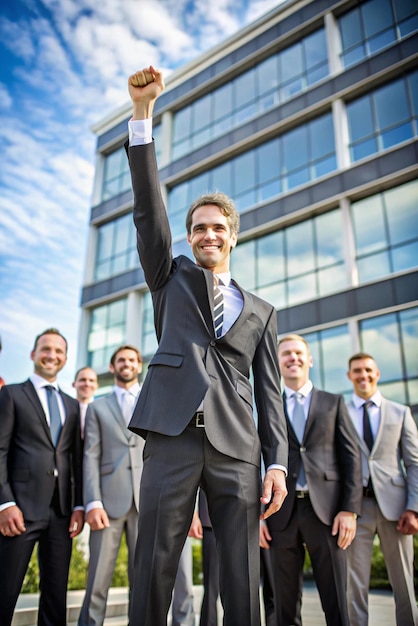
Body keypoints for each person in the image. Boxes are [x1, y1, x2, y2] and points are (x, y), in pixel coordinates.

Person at [125, 65, 288, 626]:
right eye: (199, 227)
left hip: (238, 450)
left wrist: (279, 464)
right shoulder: (169, 277)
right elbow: (149, 211)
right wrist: (143, 115)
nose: (208, 234)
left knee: (241, 578)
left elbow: (271, 396)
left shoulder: (262, 312)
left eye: (218, 227)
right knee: (153, 564)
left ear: (233, 236)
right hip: (170, 437)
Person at [78, 345, 195, 626]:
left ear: (139, 366)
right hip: (109, 503)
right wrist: (92, 501)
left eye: (132, 359)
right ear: (113, 366)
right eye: (121, 360)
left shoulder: (158, 398)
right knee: (98, 578)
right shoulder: (98, 407)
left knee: (144, 578)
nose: (127, 363)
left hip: (153, 497)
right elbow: (90, 455)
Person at [264, 334, 362, 626]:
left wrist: (349, 510)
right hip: (280, 514)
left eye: (297, 353)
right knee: (283, 605)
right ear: (278, 363)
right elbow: (257, 462)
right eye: (286, 354)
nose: (292, 358)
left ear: (309, 360)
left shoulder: (334, 403)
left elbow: (352, 459)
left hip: (328, 514)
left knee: (336, 601)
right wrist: (258, 516)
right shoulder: (269, 410)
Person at [0, 328, 84, 626]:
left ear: (64, 359)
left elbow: (75, 460)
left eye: (58, 352)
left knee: (55, 598)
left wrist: (78, 505)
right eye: (46, 349)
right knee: (5, 591)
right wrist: (5, 503)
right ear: (33, 354)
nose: (52, 356)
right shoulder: (10, 394)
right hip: (19, 510)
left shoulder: (71, 405)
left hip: (60, 513)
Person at [345, 352, 418, 626]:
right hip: (355, 509)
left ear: (377, 374)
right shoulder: (339, 412)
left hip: (396, 509)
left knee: (404, 584)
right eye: (357, 371)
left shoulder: (400, 412)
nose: (363, 375)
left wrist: (413, 507)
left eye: (368, 370)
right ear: (349, 376)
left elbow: (413, 463)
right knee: (355, 587)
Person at [72, 366, 98, 438]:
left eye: (91, 380)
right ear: (74, 384)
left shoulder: (102, 411)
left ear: (97, 386)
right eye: (82, 380)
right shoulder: (64, 409)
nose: (87, 384)